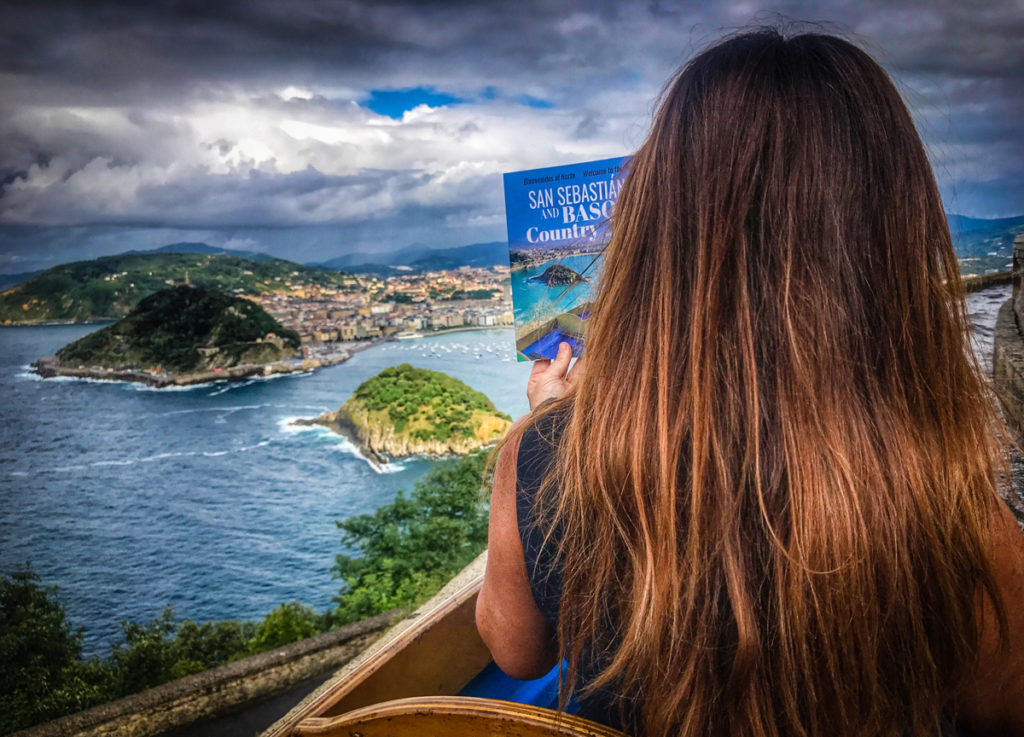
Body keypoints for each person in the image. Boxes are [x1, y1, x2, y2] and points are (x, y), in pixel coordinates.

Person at [475, 28, 1024, 737]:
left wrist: (544, 421)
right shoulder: (946, 502)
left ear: (651, 237)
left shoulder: (549, 456)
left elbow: (515, 650)